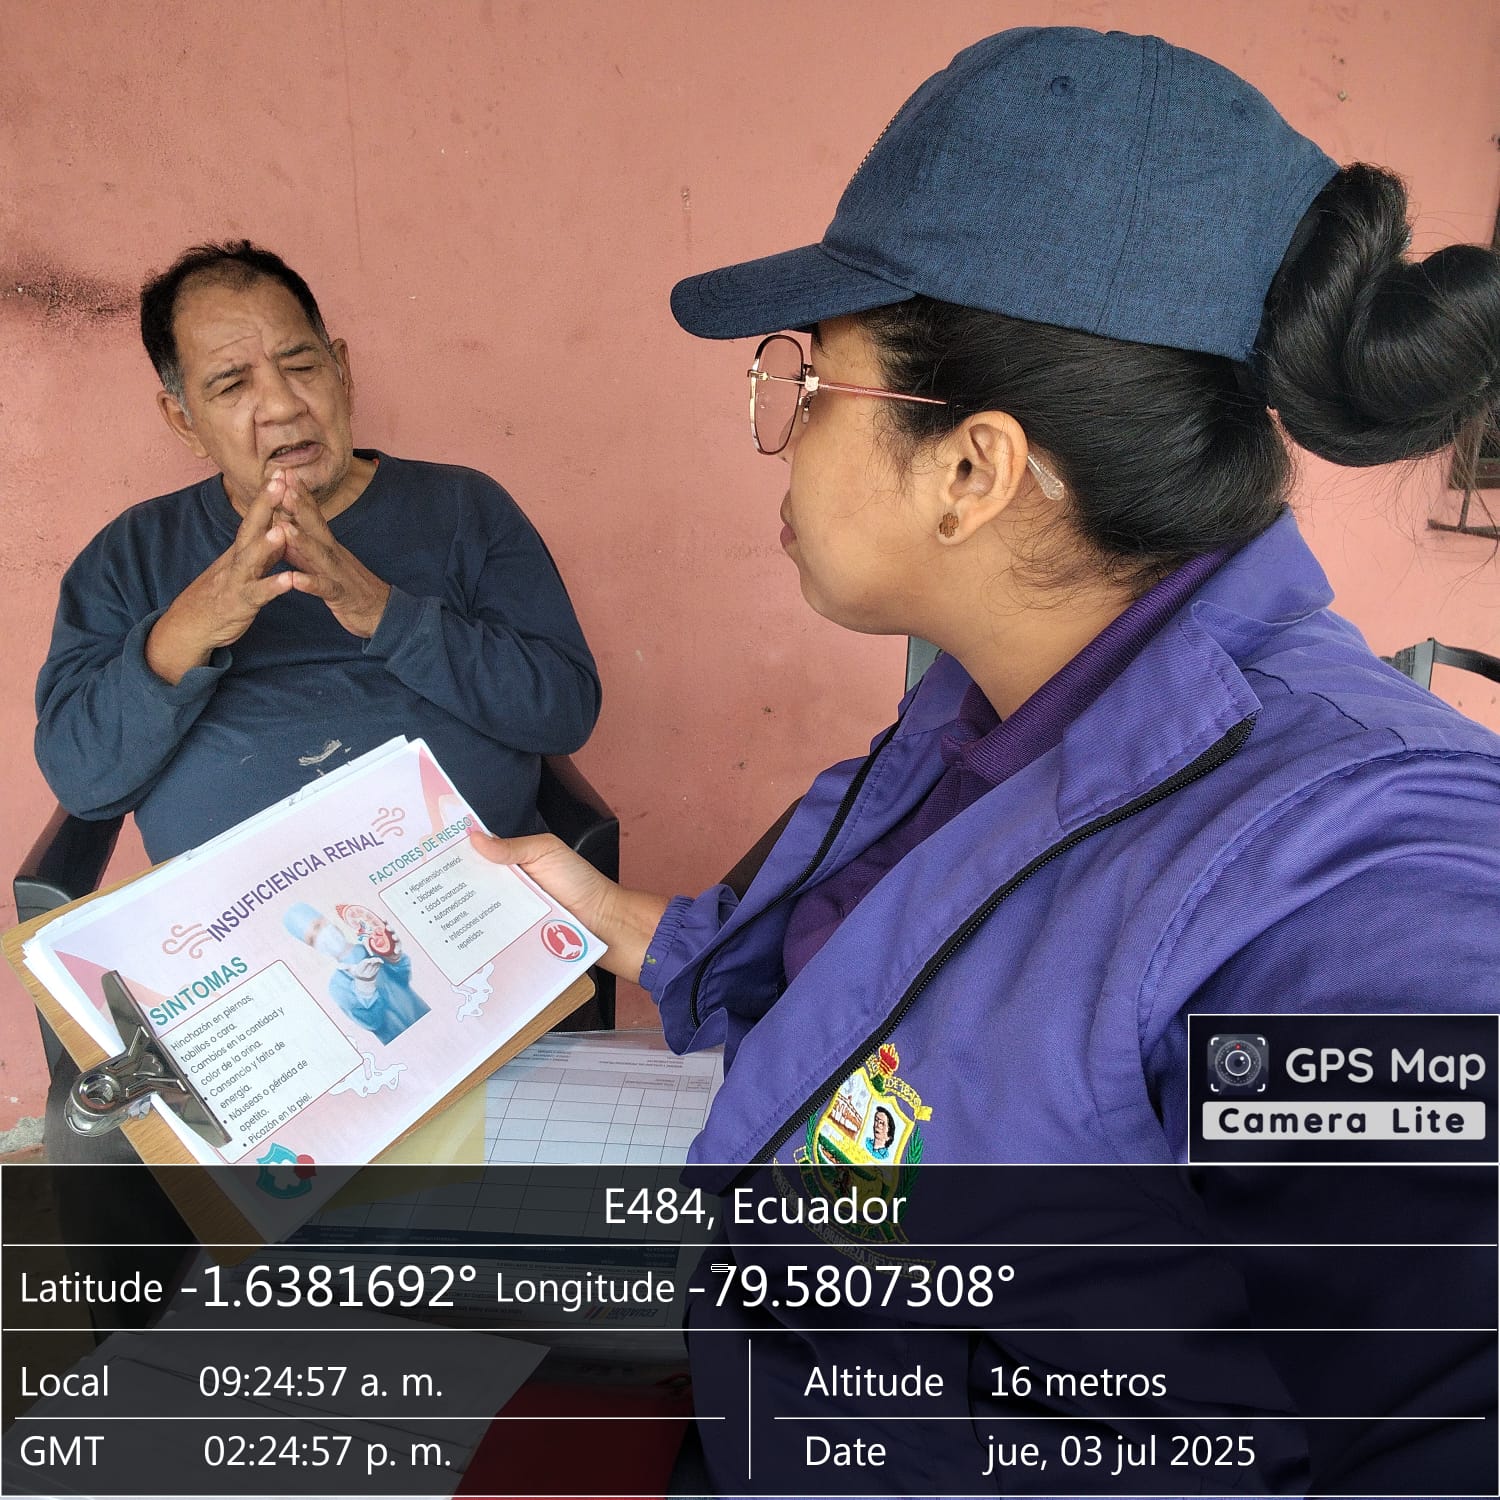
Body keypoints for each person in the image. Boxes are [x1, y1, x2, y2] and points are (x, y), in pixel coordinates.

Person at [472, 26, 1500, 1164]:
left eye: (811, 384)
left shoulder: (1366, 861)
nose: (786, 433)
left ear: (972, 470)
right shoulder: (991, 705)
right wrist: (624, 924)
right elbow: (893, 968)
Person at [35, 241, 601, 861]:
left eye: (302, 366)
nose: (283, 406)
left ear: (343, 372)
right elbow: (82, 778)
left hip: (456, 885)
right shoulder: (131, 554)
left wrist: (384, 612)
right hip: (238, 908)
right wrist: (190, 627)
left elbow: (563, 711)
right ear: (184, 421)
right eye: (232, 384)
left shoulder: (464, 508)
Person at [283, 901, 429, 1045]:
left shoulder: (372, 947)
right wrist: (365, 990)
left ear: (328, 921)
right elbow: (372, 1023)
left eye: (318, 926)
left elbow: (403, 977)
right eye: (312, 939)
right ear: (313, 947)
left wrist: (395, 957)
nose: (322, 936)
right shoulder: (337, 986)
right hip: (402, 1042)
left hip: (424, 1016)